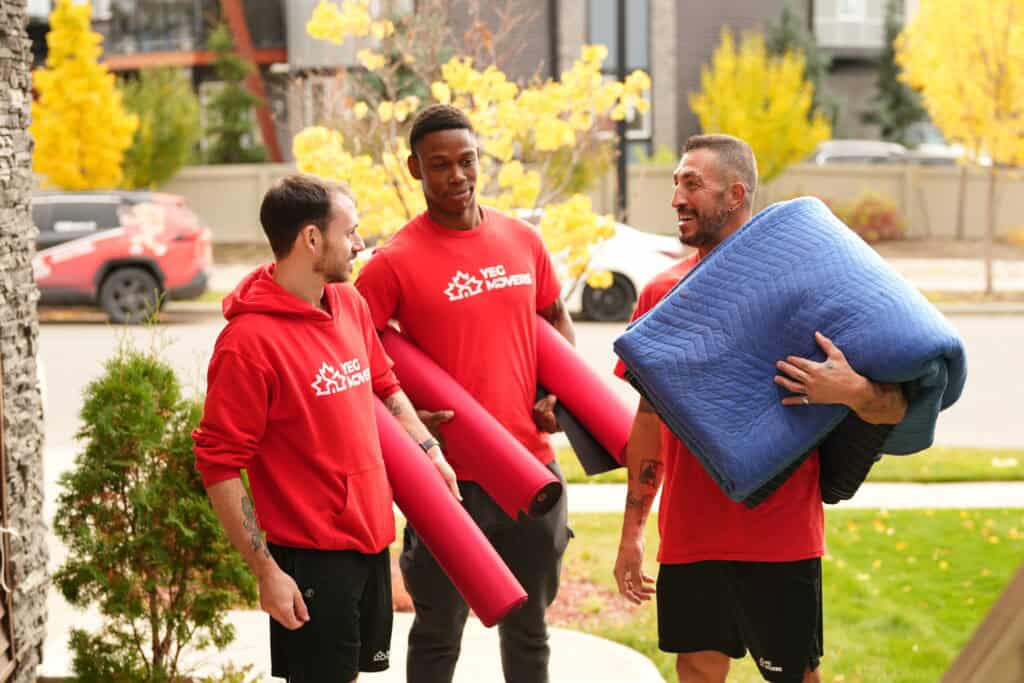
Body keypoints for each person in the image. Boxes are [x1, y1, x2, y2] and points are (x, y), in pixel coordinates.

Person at [612, 134, 908, 683]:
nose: (676, 197)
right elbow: (649, 420)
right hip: (690, 535)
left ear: (735, 194)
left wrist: (850, 391)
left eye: (692, 184)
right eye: (675, 182)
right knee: (698, 669)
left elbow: (893, 405)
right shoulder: (659, 296)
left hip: (780, 536)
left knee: (793, 676)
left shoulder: (805, 290)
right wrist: (633, 530)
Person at [193, 174, 459, 683]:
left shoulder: (349, 304)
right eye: (351, 233)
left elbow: (385, 385)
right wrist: (267, 571)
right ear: (312, 239)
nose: (360, 244)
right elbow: (219, 465)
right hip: (309, 559)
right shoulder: (247, 345)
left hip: (370, 540)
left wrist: (429, 451)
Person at [354, 103, 575, 683]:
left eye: (467, 160)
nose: (457, 175)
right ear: (414, 169)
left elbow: (554, 317)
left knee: (531, 631)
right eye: (440, 165)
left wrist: (559, 394)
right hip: (448, 480)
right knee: (437, 633)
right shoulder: (392, 263)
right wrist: (403, 417)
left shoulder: (523, 240)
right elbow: (353, 355)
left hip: (533, 470)